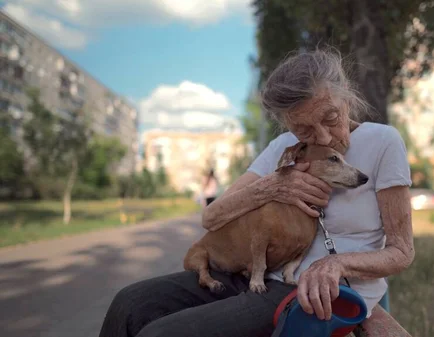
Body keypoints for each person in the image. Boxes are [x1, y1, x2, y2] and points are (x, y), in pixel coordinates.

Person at [98, 48, 414, 337]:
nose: (323, 137)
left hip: (308, 292)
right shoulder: (282, 149)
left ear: (347, 98)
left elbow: (402, 252)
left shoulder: (383, 142)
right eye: (303, 129)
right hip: (253, 273)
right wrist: (271, 186)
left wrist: (336, 264)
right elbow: (212, 216)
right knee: (128, 305)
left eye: (330, 118)